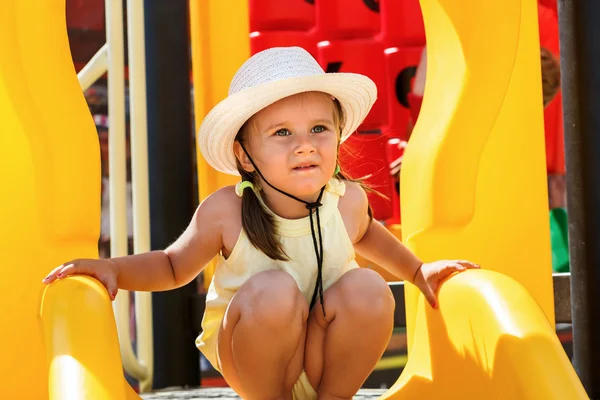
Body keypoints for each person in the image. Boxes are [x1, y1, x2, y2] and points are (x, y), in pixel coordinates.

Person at [43, 47, 479, 400]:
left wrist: (419, 272)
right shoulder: (226, 212)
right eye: (282, 133)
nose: (305, 146)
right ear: (245, 155)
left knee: (369, 288)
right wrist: (114, 270)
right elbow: (174, 266)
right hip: (255, 359)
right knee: (273, 290)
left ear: (338, 134)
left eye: (319, 129)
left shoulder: (347, 202)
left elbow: (370, 236)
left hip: (321, 354)